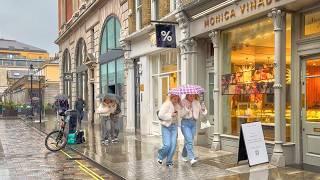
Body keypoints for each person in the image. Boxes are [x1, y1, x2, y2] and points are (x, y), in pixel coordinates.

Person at [181, 94, 207, 166]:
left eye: (193, 96)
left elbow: (202, 113)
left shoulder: (196, 102)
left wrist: (203, 109)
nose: (192, 97)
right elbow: (180, 114)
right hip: (185, 123)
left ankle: (183, 155)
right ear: (187, 95)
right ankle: (192, 158)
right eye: (190, 96)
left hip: (193, 123)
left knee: (189, 140)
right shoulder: (183, 102)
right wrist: (187, 109)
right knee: (189, 140)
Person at [157, 94, 182, 167]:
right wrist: (171, 114)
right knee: (167, 145)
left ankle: (169, 161)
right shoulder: (167, 104)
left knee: (173, 145)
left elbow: (181, 115)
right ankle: (160, 155)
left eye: (177, 97)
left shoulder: (178, 105)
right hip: (166, 126)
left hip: (174, 127)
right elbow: (160, 115)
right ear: (171, 97)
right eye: (174, 97)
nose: (176, 99)